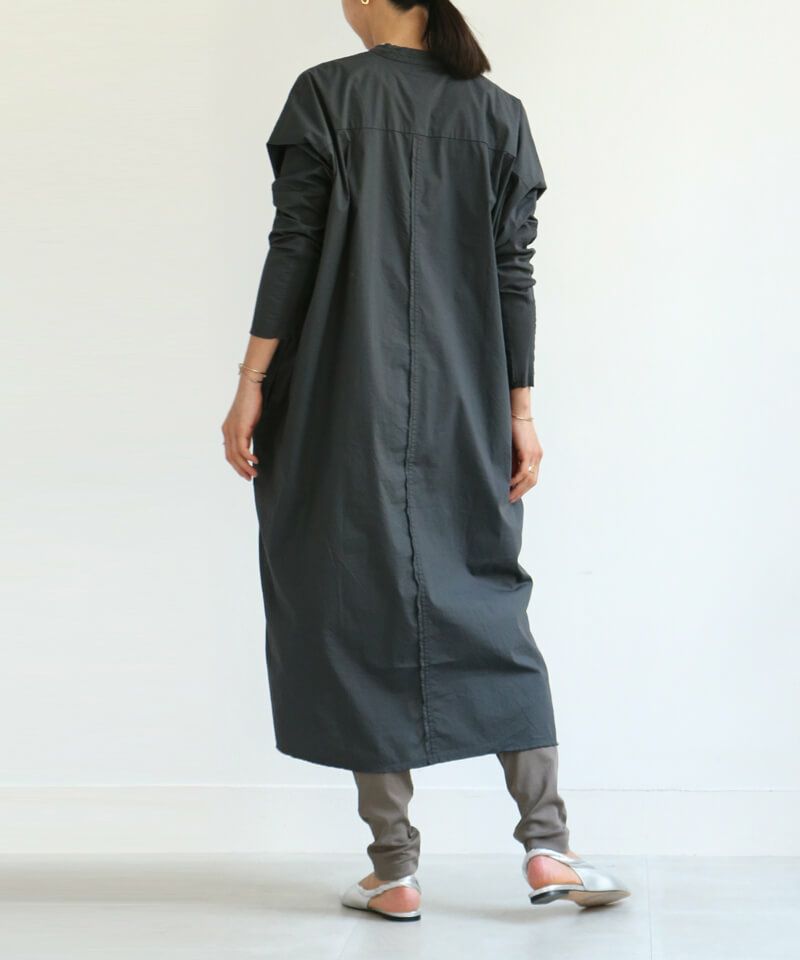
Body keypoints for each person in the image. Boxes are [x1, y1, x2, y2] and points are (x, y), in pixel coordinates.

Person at [221, 0, 630, 921]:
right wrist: (519, 412)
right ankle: (548, 848)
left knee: (352, 601)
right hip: (464, 400)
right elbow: (513, 271)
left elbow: (294, 244)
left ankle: (395, 870)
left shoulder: (327, 94)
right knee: (486, 597)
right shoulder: (498, 113)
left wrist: (251, 381)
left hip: (340, 398)